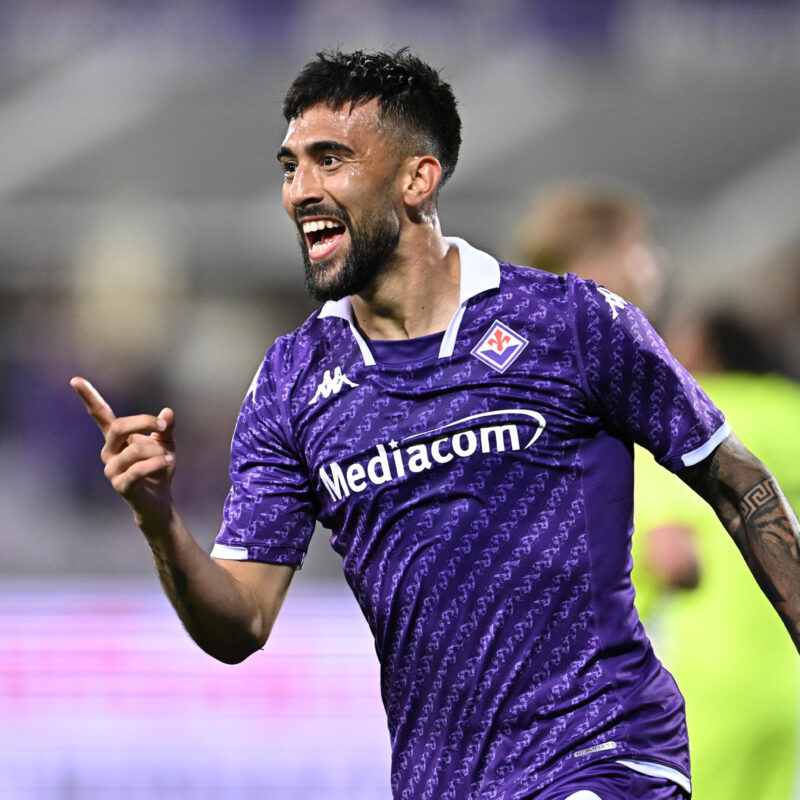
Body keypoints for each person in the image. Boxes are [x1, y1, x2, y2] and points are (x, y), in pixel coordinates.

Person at [71, 49, 800, 800]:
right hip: (442, 780)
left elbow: (733, 477)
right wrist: (158, 520)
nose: (300, 191)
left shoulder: (572, 323)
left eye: (331, 160)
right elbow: (242, 621)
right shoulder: (291, 385)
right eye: (291, 166)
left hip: (606, 752)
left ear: (419, 178)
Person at [632, 310, 800, 800]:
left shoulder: (690, 417)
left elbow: (674, 557)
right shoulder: (791, 412)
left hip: (706, 679)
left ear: (704, 350)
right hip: (784, 677)